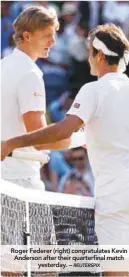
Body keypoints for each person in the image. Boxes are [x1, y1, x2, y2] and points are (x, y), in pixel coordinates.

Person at [1, 23, 129, 276]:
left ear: (98, 55)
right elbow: (90, 135)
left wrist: (11, 143)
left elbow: (61, 131)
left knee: (116, 273)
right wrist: (83, 139)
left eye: (89, 52)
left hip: (115, 197)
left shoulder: (92, 89)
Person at [1, 5, 82, 190]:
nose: (53, 42)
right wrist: (81, 139)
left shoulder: (3, 65)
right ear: (27, 36)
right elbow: (39, 139)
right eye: (47, 36)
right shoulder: (30, 73)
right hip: (19, 182)